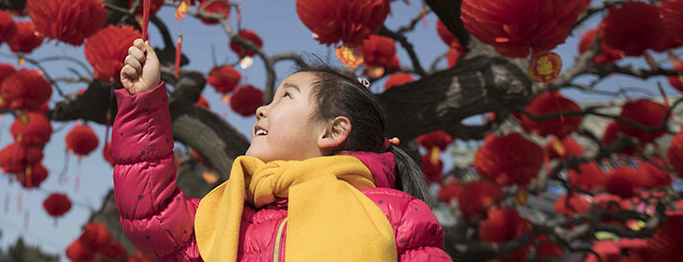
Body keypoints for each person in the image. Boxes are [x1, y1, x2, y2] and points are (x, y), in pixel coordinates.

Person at [113, 38, 452, 262]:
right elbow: (152, 217)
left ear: (332, 131)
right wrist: (143, 103)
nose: (262, 109)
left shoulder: (395, 213)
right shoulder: (230, 215)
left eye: (286, 96)